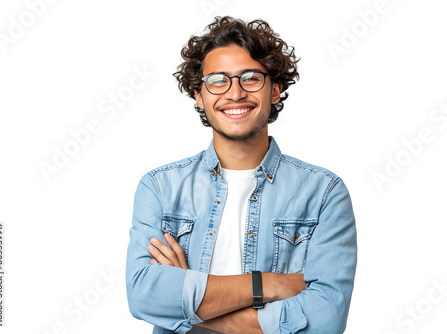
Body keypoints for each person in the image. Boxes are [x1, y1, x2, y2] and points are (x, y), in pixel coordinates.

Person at [126, 16, 357, 334]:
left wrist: (186, 302)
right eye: (217, 81)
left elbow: (325, 320)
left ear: (275, 90)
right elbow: (143, 296)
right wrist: (266, 284)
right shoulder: (160, 188)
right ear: (199, 96)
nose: (234, 93)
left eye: (250, 78)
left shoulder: (323, 193)